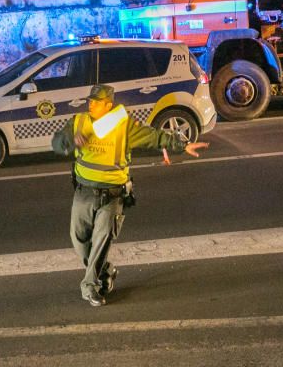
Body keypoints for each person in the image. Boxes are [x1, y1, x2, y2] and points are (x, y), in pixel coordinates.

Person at [51, 84, 209, 307]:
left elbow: (153, 137)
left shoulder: (123, 126)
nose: (91, 105)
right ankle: (105, 271)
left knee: (101, 241)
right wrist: (69, 141)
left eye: (96, 102)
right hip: (83, 192)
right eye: (90, 101)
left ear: (108, 105)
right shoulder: (78, 122)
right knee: (79, 241)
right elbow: (56, 144)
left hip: (112, 196)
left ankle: (90, 286)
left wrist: (182, 145)